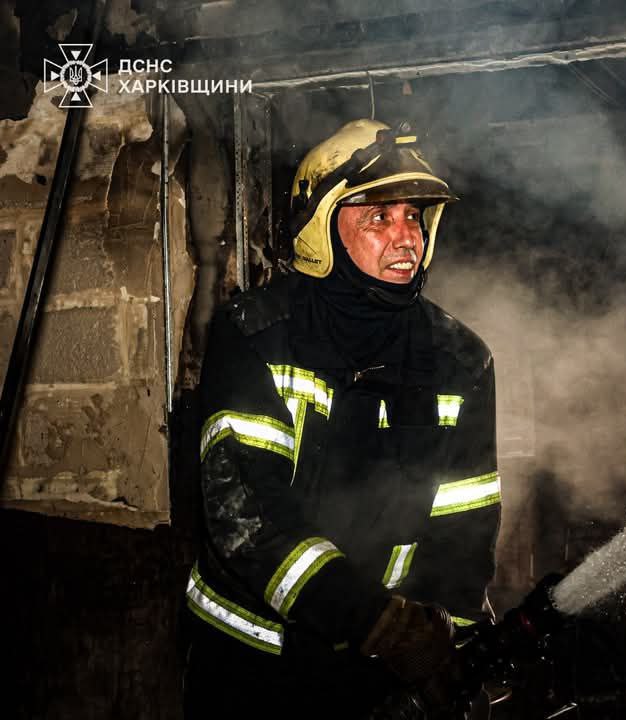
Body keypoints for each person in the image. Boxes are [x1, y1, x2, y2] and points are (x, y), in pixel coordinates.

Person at [183, 119, 501, 718]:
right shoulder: (256, 334)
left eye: (415, 216)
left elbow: (466, 529)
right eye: (379, 217)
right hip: (253, 662)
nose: (406, 237)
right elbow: (249, 518)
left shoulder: (461, 362)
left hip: (376, 674)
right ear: (322, 228)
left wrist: (446, 650)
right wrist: (380, 624)